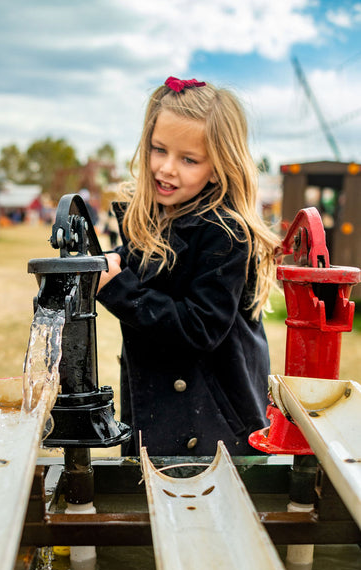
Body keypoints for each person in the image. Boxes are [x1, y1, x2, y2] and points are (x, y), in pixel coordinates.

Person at [96, 77, 280, 457]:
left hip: (215, 424)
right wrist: (106, 264)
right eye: (158, 149)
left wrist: (118, 288)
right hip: (159, 413)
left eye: (188, 159)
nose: (166, 168)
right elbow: (148, 273)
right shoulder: (149, 219)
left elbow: (201, 327)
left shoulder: (226, 233)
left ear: (217, 167)